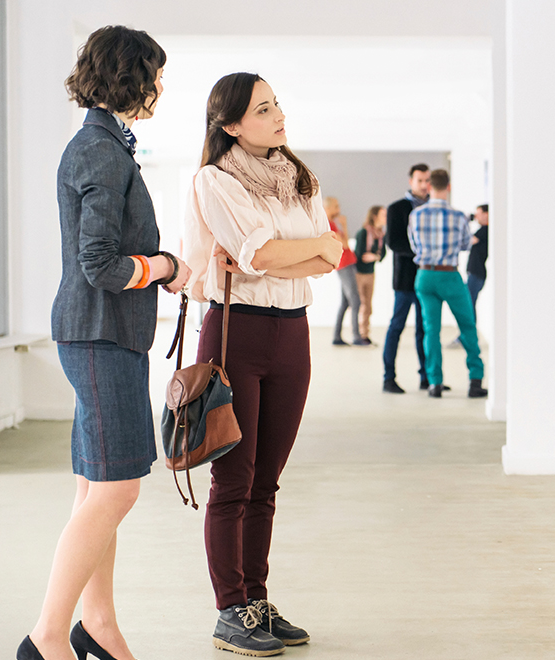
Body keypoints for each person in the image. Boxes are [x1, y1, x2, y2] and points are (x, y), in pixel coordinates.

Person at [22, 25, 191, 660]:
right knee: (117, 489)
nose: (158, 87)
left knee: (97, 488)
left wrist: (155, 268)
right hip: (99, 334)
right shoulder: (99, 150)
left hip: (97, 334)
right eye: (154, 74)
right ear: (130, 76)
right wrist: (164, 267)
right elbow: (100, 263)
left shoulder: (103, 144)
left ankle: (97, 625)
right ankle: (46, 635)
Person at [182, 72, 344, 657]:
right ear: (230, 124)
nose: (278, 116)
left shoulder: (302, 179)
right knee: (234, 479)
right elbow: (265, 255)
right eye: (263, 109)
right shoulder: (214, 181)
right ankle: (231, 610)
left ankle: (256, 598)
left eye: (277, 105)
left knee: (267, 480)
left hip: (292, 335)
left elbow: (332, 255)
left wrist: (284, 257)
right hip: (235, 334)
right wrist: (295, 253)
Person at [408, 169, 488, 399]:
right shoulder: (458, 216)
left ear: (429, 186)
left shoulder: (416, 215)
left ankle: (435, 384)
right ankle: (475, 381)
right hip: (449, 275)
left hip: (424, 276)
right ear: (449, 187)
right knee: (467, 325)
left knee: (431, 330)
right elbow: (465, 244)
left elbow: (414, 245)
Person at [382, 164, 438, 394]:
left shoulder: (435, 208)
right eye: (420, 180)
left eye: (427, 181)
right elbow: (393, 242)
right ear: (411, 182)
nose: (424, 185)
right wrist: (422, 253)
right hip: (406, 279)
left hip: (428, 277)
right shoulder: (397, 208)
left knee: (425, 329)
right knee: (397, 326)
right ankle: (389, 378)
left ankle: (427, 377)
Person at [325, 196, 362, 346]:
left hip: (346, 264)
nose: (338, 210)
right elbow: (345, 244)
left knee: (345, 302)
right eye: (336, 206)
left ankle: (337, 336)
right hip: (344, 265)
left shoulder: (332, 223)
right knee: (355, 301)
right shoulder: (329, 225)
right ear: (327, 208)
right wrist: (345, 226)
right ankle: (356, 336)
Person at [452, 204, 489, 348]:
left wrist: (465, 222)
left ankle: (467, 337)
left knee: (468, 305)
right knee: (469, 304)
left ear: (487, 214)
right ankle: (466, 336)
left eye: (479, 214)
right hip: (474, 273)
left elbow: (467, 240)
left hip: (477, 274)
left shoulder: (484, 231)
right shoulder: (482, 230)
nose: (476, 217)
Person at [352, 205, 387, 344]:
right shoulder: (363, 233)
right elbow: (360, 254)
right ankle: (358, 335)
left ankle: (365, 334)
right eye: (383, 215)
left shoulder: (380, 235)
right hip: (359, 273)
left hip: (370, 273)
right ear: (375, 216)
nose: (385, 218)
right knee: (359, 304)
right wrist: (375, 256)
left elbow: (382, 254)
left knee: (368, 305)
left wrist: (374, 257)